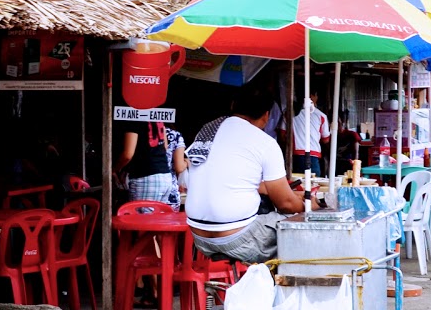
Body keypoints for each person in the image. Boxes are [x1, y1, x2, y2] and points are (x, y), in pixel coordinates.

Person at [185, 82, 306, 263]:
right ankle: (279, 288)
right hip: (239, 237)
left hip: (199, 238)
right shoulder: (264, 142)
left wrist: (264, 189)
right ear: (266, 116)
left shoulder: (207, 131)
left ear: (233, 105)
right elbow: (286, 204)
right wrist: (308, 206)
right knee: (302, 226)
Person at [115, 120, 183, 206]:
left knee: (141, 218)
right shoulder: (157, 117)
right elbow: (165, 147)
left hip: (146, 177)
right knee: (157, 217)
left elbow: (128, 155)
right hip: (165, 176)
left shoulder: (135, 118)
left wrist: (113, 169)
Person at [290, 89, 331, 175]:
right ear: (313, 96)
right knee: (315, 184)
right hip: (314, 156)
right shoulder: (321, 116)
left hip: (297, 155)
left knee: (299, 185)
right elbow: (326, 139)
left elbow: (283, 134)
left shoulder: (290, 113)